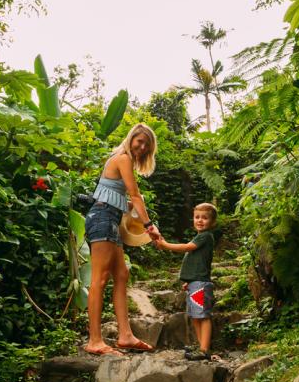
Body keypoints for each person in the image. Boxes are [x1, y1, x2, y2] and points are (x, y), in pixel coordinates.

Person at [83, 123, 161, 356]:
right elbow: (135, 195)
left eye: (147, 144)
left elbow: (119, 197)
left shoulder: (123, 161)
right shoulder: (123, 158)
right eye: (140, 141)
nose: (143, 146)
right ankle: (94, 341)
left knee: (121, 274)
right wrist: (149, 226)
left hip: (111, 219)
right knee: (99, 279)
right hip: (102, 219)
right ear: (131, 139)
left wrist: (132, 208)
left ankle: (125, 335)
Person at [154, 203, 218, 360]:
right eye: (197, 217)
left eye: (205, 218)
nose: (200, 220)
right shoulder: (199, 236)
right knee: (196, 316)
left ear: (212, 222)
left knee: (203, 316)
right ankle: (200, 346)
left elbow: (186, 247)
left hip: (200, 284)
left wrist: (165, 245)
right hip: (195, 283)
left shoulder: (205, 236)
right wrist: (189, 280)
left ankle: (204, 349)